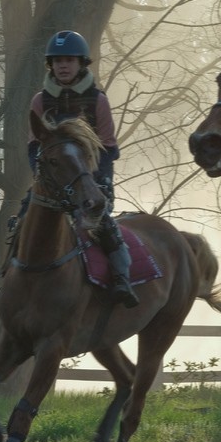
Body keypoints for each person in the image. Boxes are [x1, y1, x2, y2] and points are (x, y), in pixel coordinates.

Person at [26, 29, 137, 307]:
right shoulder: (39, 101)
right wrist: (40, 176)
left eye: (69, 60)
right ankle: (9, 276)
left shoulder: (98, 100)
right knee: (22, 222)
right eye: (58, 61)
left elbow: (108, 148)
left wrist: (97, 183)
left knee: (104, 225)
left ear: (81, 63)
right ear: (51, 65)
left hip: (91, 177)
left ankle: (122, 279)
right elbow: (33, 147)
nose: (63, 66)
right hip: (52, 179)